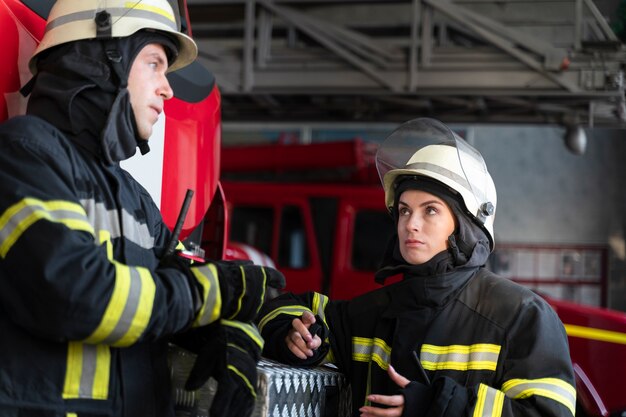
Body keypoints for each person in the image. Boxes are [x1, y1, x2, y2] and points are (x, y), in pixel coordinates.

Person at [0, 1, 283, 416]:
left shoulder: (134, 197)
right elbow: (75, 295)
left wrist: (230, 333)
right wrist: (215, 292)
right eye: (154, 63)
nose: (167, 88)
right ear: (101, 60)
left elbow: (173, 294)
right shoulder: (25, 154)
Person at [257, 118, 576, 417]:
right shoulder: (373, 313)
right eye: (405, 211)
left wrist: (437, 406)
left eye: (431, 210)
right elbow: (281, 309)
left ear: (465, 225)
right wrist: (293, 335)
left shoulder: (521, 316)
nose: (411, 224)